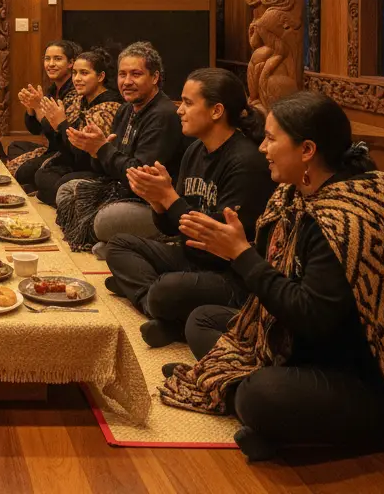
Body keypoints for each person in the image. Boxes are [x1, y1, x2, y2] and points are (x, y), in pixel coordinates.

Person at [161, 92, 384, 461]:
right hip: (295, 346)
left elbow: (314, 318)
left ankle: (287, 421)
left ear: (307, 149)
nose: (262, 148)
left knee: (262, 395)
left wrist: (242, 255)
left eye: (271, 138)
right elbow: (265, 287)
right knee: (202, 320)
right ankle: (272, 419)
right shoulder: (292, 198)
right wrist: (233, 254)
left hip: (356, 374)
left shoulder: (349, 219)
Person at [105, 68, 275, 347]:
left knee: (166, 290)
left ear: (216, 110)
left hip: (228, 273)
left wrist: (170, 198)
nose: (179, 110)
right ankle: (163, 310)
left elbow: (216, 248)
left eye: (188, 102)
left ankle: (158, 304)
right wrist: (157, 202)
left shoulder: (245, 163)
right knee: (119, 246)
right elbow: (172, 228)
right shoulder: (195, 150)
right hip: (190, 255)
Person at [55, 41, 185, 257]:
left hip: (154, 207)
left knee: (103, 221)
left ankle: (145, 243)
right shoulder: (126, 109)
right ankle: (122, 244)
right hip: (118, 189)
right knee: (66, 190)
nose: (127, 82)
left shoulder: (162, 115)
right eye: (122, 74)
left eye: (136, 74)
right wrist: (94, 150)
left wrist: (103, 148)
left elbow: (139, 176)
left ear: (154, 78)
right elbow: (107, 167)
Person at [17, 48, 122, 205]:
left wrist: (59, 123)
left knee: (53, 180)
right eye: (75, 73)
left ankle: (48, 195)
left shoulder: (109, 106)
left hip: (94, 168)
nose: (77, 79)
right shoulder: (78, 99)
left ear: (100, 76)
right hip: (69, 158)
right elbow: (46, 134)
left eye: (84, 73)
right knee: (38, 173)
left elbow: (82, 155)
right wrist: (34, 109)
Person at [6, 40, 80, 175]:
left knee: (25, 171)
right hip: (50, 148)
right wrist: (31, 108)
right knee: (14, 146)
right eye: (47, 59)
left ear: (70, 63)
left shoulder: (74, 92)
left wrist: (38, 108)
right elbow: (35, 129)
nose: (51, 64)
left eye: (57, 59)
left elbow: (56, 134)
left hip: (64, 153)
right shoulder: (52, 89)